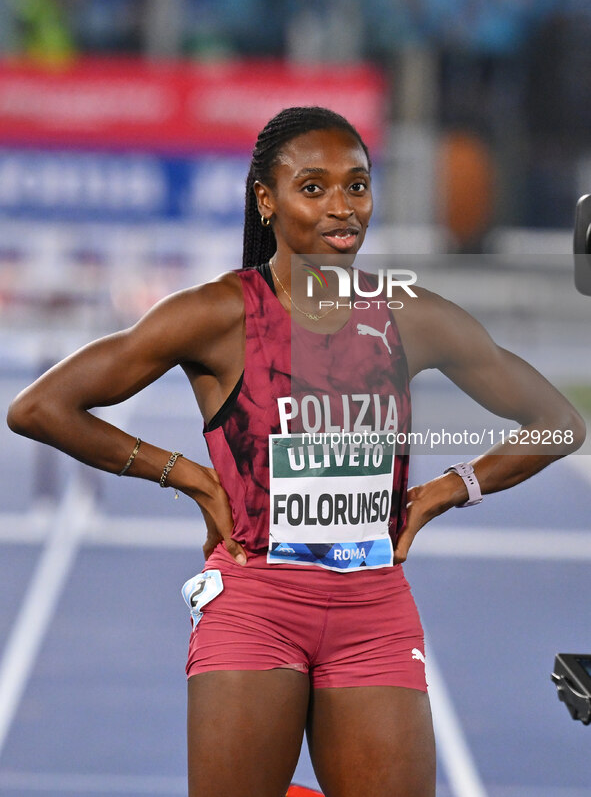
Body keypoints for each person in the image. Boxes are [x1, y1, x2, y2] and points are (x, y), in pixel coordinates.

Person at [7, 106, 585, 797]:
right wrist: (187, 476)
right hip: (255, 605)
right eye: (313, 187)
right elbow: (40, 408)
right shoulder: (217, 314)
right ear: (266, 200)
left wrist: (443, 490)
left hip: (373, 608)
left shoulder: (409, 315)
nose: (342, 208)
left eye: (357, 186)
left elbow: (557, 422)